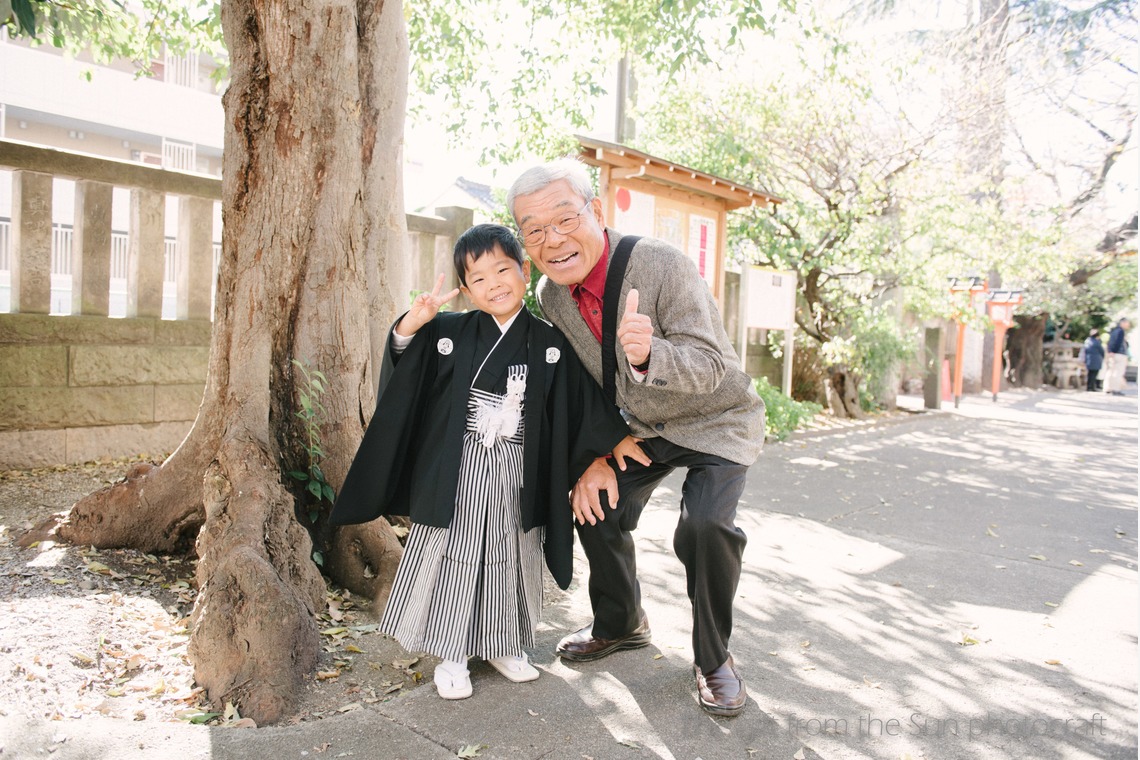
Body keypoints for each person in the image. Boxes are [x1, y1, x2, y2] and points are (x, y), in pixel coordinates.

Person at [330, 224, 644, 700]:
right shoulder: (447, 331)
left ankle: (503, 644)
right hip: (457, 470)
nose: (494, 283)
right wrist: (411, 324)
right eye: (478, 278)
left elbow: (577, 404)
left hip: (518, 472)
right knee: (456, 559)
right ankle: (452, 655)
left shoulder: (548, 342)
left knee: (509, 555)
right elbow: (404, 369)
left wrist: (613, 438)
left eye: (503, 269)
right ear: (467, 290)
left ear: (525, 270)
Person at [507, 159, 766, 717]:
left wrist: (651, 355)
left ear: (595, 213)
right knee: (594, 501)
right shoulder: (552, 297)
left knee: (705, 526)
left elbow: (715, 367)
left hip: (716, 418)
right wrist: (598, 455)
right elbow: (585, 385)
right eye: (533, 230)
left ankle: (713, 659)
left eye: (563, 218)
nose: (552, 240)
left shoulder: (662, 265)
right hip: (645, 428)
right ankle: (621, 622)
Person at [1105, 318, 1131, 396]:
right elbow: (1118, 342)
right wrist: (1114, 351)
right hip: (1119, 354)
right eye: (1127, 323)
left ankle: (1108, 388)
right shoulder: (1120, 331)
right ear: (1123, 323)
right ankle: (1116, 389)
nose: (1128, 325)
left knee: (1111, 371)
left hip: (1114, 353)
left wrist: (1110, 351)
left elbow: (1110, 342)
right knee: (1118, 372)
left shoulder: (1114, 331)